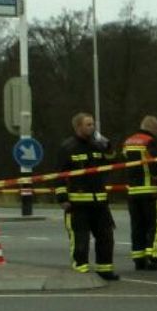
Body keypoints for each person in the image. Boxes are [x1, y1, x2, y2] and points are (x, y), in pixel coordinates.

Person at [55, 112, 118, 281]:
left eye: (93, 124)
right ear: (78, 127)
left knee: (106, 237)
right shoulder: (68, 147)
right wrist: (63, 198)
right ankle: (80, 269)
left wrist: (107, 144)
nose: (92, 127)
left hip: (99, 202)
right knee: (80, 239)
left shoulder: (97, 146)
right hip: (78, 203)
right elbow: (60, 175)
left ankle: (105, 269)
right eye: (88, 124)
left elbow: (112, 159)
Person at [122, 115, 157, 271]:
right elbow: (155, 165)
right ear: (154, 129)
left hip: (133, 191)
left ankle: (139, 258)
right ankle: (153, 257)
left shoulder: (128, 142)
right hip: (150, 191)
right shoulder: (149, 141)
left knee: (138, 226)